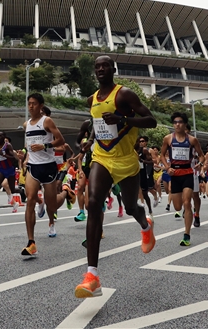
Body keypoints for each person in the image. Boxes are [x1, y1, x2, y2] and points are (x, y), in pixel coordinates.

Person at [75, 55, 157, 298]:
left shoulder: (124, 95)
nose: (101, 69)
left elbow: (151, 120)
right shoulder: (91, 99)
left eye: (105, 66)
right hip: (102, 157)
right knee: (93, 203)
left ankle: (145, 224)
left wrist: (123, 118)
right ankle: (92, 276)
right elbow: (97, 126)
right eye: (97, 67)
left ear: (113, 69)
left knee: (131, 207)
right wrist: (88, 143)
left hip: (126, 160)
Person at [20, 93, 65, 253]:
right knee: (30, 199)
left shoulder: (47, 121)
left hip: (48, 166)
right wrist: (24, 153)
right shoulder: (26, 125)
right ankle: (31, 242)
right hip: (33, 167)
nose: (30, 106)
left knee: (52, 205)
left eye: (34, 103)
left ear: (40, 106)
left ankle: (65, 193)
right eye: (29, 103)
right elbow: (29, 144)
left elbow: (61, 140)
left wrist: (45, 146)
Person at [160, 112, 204, 246]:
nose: (177, 124)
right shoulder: (168, 138)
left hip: (187, 173)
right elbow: (162, 155)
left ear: (185, 124)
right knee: (177, 206)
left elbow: (201, 155)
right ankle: (186, 210)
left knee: (186, 202)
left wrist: (200, 164)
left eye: (179, 122)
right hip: (174, 174)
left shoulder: (192, 140)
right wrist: (167, 168)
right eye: (174, 122)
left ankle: (187, 235)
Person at [0, 132, 18, 208]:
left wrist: (3, 154)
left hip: (9, 169)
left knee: (12, 189)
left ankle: (22, 191)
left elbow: (13, 158)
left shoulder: (8, 146)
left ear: (4, 137)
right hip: (1, 169)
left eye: (1, 136)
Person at [136, 136, 156, 215]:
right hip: (133, 172)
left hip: (142, 172)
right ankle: (139, 205)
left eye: (142, 141)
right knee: (135, 191)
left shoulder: (144, 150)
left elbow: (151, 162)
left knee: (145, 193)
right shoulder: (132, 150)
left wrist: (142, 160)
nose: (140, 143)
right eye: (139, 141)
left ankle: (150, 210)